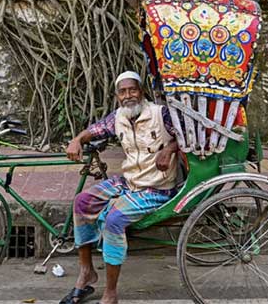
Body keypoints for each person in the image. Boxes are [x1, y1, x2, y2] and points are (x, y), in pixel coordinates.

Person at [60, 71, 179, 304]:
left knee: (113, 220)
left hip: (157, 187)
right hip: (129, 181)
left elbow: (186, 137)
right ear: (117, 96)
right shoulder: (118, 117)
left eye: (132, 90)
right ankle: (87, 272)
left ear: (141, 92)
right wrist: (77, 140)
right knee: (82, 202)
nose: (128, 96)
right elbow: (93, 130)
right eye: (123, 92)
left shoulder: (160, 113)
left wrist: (168, 149)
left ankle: (110, 293)